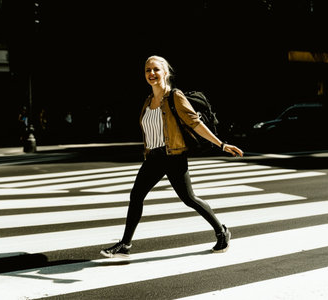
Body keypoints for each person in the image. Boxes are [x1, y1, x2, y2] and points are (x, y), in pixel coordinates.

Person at [100, 55, 244, 258]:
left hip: (173, 156)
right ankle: (125, 244)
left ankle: (222, 232)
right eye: (147, 70)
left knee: (189, 199)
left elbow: (195, 123)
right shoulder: (148, 100)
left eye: (156, 69)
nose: (151, 73)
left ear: (165, 72)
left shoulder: (175, 96)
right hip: (153, 158)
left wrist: (220, 144)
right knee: (136, 196)